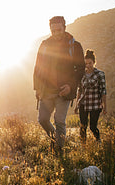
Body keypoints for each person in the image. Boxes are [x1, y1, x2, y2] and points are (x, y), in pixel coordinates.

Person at [33, 16, 85, 154]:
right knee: (43, 119)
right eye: (53, 30)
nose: (56, 33)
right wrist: (37, 88)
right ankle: (56, 139)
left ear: (64, 27)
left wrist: (71, 86)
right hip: (46, 90)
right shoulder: (44, 45)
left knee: (59, 120)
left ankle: (59, 151)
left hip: (64, 91)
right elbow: (38, 67)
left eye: (58, 30)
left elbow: (80, 69)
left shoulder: (74, 46)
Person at [75, 49, 107, 142]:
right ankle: (83, 147)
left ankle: (98, 142)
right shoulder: (82, 75)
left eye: (90, 63)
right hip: (83, 104)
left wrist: (105, 106)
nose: (88, 65)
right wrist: (77, 104)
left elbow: (103, 90)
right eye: (86, 64)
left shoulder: (100, 74)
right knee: (83, 126)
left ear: (94, 62)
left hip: (95, 104)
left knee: (93, 127)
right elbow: (80, 90)